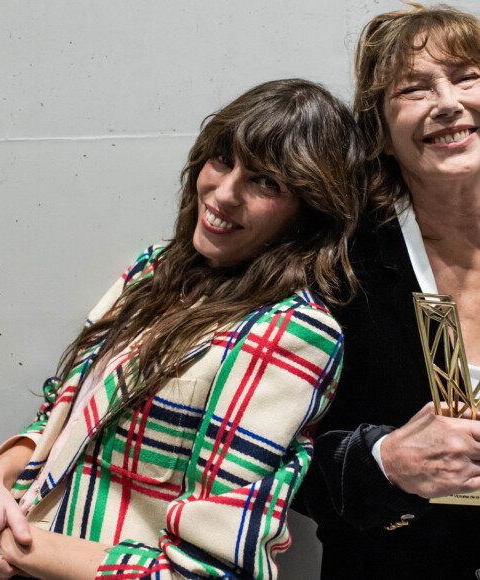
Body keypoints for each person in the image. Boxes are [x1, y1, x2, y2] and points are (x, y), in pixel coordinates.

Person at [0, 79, 364, 580]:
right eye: (222, 160)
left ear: (309, 213)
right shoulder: (154, 271)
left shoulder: (289, 333)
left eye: (266, 183)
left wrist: (9, 545)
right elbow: (63, 415)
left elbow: (206, 571)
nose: (224, 193)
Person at [293, 4, 480, 579]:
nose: (447, 101)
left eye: (468, 76)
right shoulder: (334, 266)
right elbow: (266, 458)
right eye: (414, 88)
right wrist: (382, 464)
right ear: (379, 128)